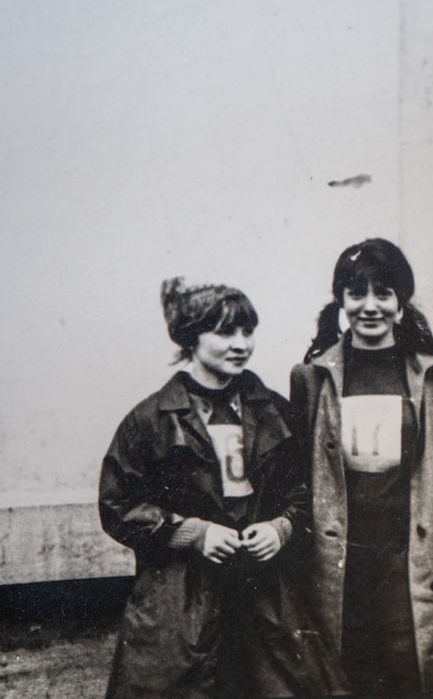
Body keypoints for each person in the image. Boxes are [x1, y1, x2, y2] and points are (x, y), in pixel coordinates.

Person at [99, 278, 341, 699]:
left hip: (265, 594)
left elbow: (304, 491)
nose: (241, 344)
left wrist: (280, 528)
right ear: (191, 337)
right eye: (225, 332)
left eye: (247, 331)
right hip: (181, 598)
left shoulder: (273, 411)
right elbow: (118, 504)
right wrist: (193, 532)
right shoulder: (151, 419)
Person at [290, 238, 433, 695]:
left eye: (384, 292)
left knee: (409, 672)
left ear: (401, 301)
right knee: (344, 672)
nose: (370, 306)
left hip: (409, 560)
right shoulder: (312, 377)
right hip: (342, 565)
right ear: (341, 301)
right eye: (356, 293)